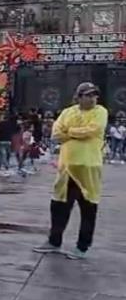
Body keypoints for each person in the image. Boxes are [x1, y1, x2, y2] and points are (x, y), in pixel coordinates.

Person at [33, 82, 108, 260]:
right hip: (66, 167)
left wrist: (70, 131)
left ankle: (82, 247)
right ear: (79, 97)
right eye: (88, 95)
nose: (92, 98)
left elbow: (93, 130)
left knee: (88, 208)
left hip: (89, 168)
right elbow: (56, 133)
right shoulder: (68, 112)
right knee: (58, 206)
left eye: (94, 95)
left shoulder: (100, 112)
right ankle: (54, 241)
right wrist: (75, 132)